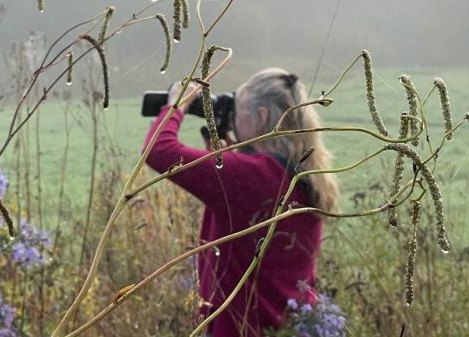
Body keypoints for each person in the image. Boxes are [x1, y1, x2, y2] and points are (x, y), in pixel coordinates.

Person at [143, 67, 339, 336]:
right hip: (295, 325)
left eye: (237, 115)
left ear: (260, 116)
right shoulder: (305, 172)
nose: (233, 122)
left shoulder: (250, 176)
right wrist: (230, 157)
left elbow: (159, 151)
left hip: (244, 327)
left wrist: (176, 105)